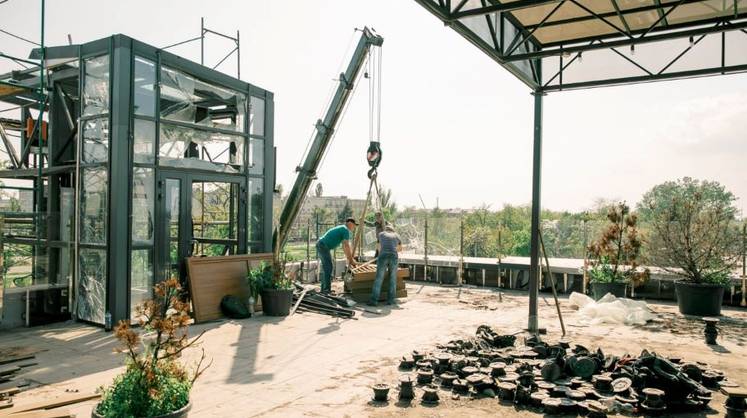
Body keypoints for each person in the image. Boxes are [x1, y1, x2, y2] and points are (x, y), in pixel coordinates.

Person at [316, 218, 358, 294]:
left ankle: (324, 289)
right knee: (328, 267)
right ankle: (326, 290)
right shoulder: (345, 230)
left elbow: (344, 247)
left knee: (326, 267)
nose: (354, 228)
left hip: (322, 245)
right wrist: (351, 260)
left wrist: (349, 258)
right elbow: (346, 245)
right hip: (323, 246)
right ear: (350, 223)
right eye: (354, 225)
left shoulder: (342, 229)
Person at [368, 224, 402, 306]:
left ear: (386, 229)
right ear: (393, 230)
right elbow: (400, 249)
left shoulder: (381, 234)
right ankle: (390, 300)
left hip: (383, 255)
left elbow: (378, 247)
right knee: (393, 278)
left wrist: (381, 255)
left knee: (379, 278)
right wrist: (393, 249)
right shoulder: (397, 236)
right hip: (394, 256)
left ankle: (374, 301)